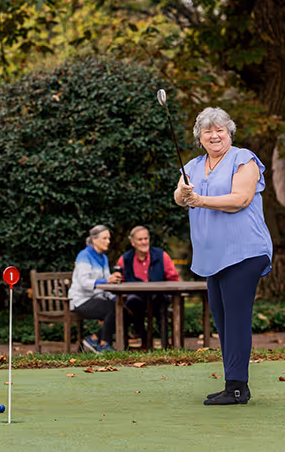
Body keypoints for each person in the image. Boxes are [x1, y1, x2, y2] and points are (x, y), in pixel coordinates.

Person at [174, 107, 273, 406]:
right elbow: (180, 196)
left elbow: (240, 199)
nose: (214, 135)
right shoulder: (192, 165)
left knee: (237, 319)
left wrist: (199, 200)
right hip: (213, 254)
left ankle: (238, 388)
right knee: (223, 319)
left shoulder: (244, 159)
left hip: (244, 251)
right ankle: (233, 383)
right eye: (208, 131)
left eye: (220, 130)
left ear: (229, 133)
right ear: (200, 137)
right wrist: (184, 194)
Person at [115, 225, 179, 349]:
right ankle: (143, 338)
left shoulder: (161, 255)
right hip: (137, 300)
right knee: (132, 302)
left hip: (158, 297)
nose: (144, 242)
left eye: (146, 238)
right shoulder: (125, 259)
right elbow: (119, 281)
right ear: (132, 242)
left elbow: (173, 278)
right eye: (140, 240)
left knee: (161, 303)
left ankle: (166, 345)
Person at [68, 224, 123, 353]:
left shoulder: (103, 257)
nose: (108, 242)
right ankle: (104, 344)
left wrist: (115, 295)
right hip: (81, 301)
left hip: (98, 299)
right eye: (104, 238)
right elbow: (84, 282)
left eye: (109, 238)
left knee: (122, 307)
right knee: (113, 309)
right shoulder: (84, 256)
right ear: (94, 239)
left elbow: (106, 283)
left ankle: (94, 339)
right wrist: (107, 280)